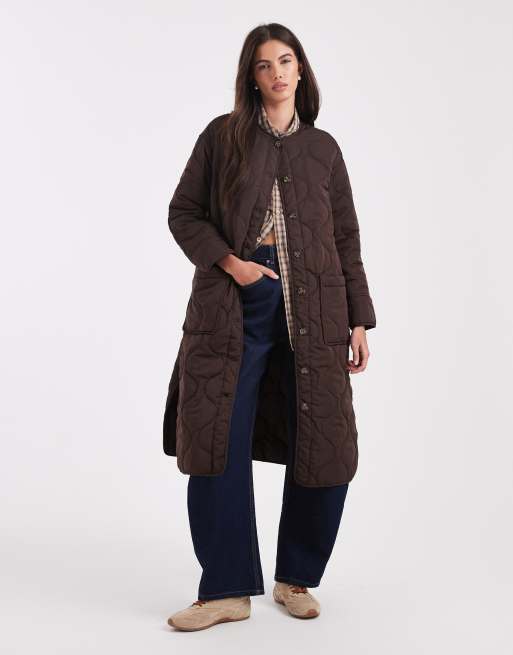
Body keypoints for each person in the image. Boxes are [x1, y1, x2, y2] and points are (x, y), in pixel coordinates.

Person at [164, 22, 376, 632]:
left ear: (300, 69)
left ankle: (295, 578)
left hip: (317, 308)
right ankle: (226, 589)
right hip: (235, 303)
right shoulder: (222, 137)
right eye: (264, 65)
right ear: (251, 77)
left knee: (324, 440)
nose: (277, 73)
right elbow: (183, 213)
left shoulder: (323, 149)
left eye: (285, 61)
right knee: (217, 440)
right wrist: (233, 264)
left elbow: (345, 238)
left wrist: (359, 318)